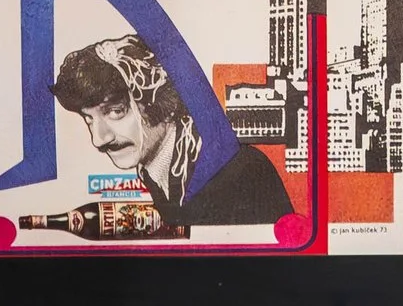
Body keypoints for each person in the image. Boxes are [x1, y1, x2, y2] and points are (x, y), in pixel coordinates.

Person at [49, 35, 291, 232]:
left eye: (115, 111)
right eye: (88, 118)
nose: (99, 139)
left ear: (162, 104)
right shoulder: (157, 176)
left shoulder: (240, 171)